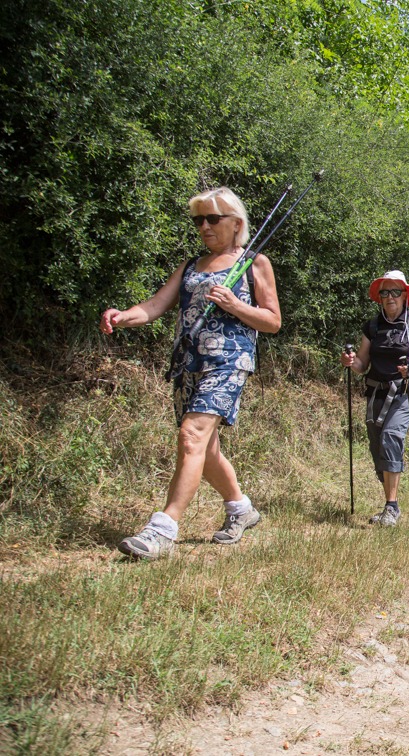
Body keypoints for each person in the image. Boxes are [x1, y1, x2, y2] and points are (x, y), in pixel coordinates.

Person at [100, 187, 282, 559]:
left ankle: (162, 530)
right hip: (188, 363)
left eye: (212, 218)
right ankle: (240, 509)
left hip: (229, 361)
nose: (204, 226)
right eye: (199, 220)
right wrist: (122, 317)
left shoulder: (254, 263)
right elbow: (154, 305)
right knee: (205, 448)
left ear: (236, 223)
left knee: (191, 436)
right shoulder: (189, 266)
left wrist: (235, 304)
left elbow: (273, 321)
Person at [340, 270, 409, 527]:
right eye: (384, 292)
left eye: (395, 292)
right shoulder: (372, 326)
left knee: (391, 436)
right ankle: (390, 501)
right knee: (377, 446)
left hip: (405, 391)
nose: (389, 297)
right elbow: (362, 363)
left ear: (405, 296)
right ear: (379, 297)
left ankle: (391, 508)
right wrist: (351, 362)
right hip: (376, 392)